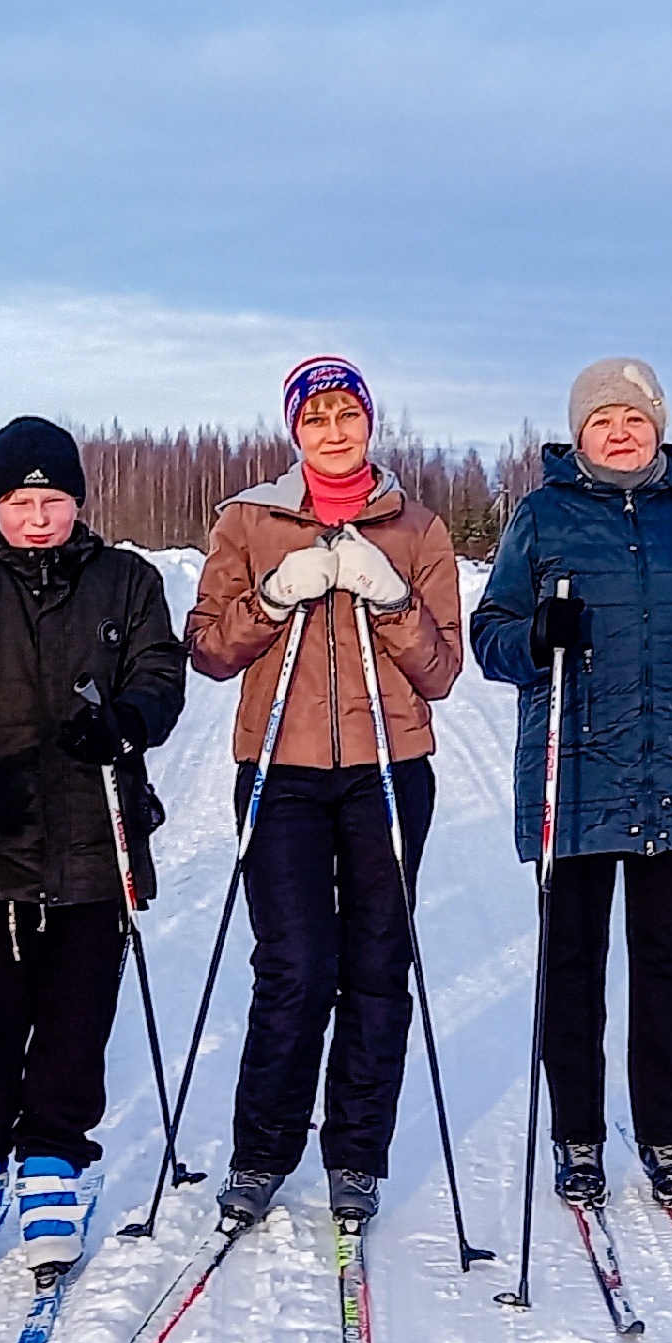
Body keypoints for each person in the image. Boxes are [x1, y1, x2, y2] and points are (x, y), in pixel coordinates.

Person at [471, 357, 672, 1211]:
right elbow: (490, 636)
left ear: (657, 427)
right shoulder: (542, 515)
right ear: (579, 435)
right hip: (572, 772)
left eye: (634, 418)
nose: (619, 432)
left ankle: (665, 1138)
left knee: (664, 966)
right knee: (572, 964)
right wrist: (538, 634)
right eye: (602, 420)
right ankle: (577, 1136)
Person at [184, 355, 463, 1228]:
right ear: (294, 431)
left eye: (348, 416)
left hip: (388, 768)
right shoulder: (249, 520)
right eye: (317, 419)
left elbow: (443, 669)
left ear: (370, 424)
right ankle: (262, 1153)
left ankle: (356, 1155)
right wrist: (273, 595)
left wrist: (388, 599)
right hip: (281, 771)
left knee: (377, 963)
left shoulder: (417, 528)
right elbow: (208, 648)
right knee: (297, 967)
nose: (335, 433)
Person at [0, 417, 187, 1274]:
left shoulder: (126, 577)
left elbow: (159, 675)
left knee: (77, 1007)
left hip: (94, 827)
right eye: (21, 501)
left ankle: (55, 1157)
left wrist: (127, 723)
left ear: (77, 502)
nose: (38, 517)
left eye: (54, 500)